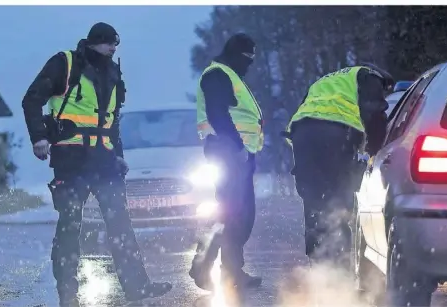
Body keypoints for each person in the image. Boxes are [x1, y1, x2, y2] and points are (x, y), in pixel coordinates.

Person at [20, 22, 172, 307]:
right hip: (71, 159)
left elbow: (112, 121)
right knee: (70, 225)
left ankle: (137, 287)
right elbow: (31, 100)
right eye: (109, 43)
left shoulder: (113, 73)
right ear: (93, 43)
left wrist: (119, 155)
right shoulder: (64, 64)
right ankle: (68, 294)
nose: (114, 49)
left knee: (121, 224)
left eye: (116, 44)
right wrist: (38, 138)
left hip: (104, 161)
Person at [284, 63, 393, 266]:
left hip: (302, 135)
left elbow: (306, 108)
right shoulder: (370, 77)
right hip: (335, 134)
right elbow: (375, 115)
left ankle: (318, 261)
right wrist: (374, 152)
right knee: (339, 196)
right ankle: (339, 260)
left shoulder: (326, 81)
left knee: (314, 197)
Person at [188, 33, 264, 291]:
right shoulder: (217, 74)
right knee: (231, 213)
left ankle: (229, 271)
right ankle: (211, 268)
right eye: (247, 58)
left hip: (237, 153)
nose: (250, 64)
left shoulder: (231, 75)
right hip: (228, 151)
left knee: (239, 215)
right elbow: (218, 115)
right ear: (235, 54)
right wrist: (239, 147)